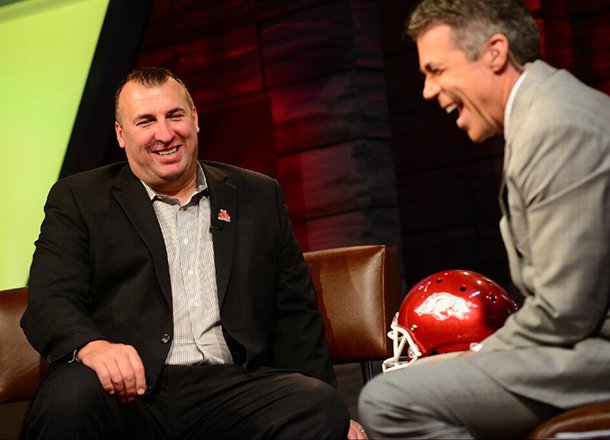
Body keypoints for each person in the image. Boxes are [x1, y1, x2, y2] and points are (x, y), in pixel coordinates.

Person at [21, 66, 366, 439]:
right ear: (121, 135)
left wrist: (338, 417)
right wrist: (93, 347)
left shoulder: (257, 195)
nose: (165, 134)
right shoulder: (80, 198)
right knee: (68, 397)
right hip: (129, 394)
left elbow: (295, 314)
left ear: (195, 119)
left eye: (175, 116)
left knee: (318, 405)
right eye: (146, 122)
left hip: (232, 387)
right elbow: (49, 299)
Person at [358, 0, 610, 438]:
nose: (427, 90)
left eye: (436, 70)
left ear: (495, 52)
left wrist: (477, 357)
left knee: (388, 400)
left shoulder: (555, 127)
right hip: (585, 341)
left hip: (596, 352)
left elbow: (564, 313)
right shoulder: (545, 111)